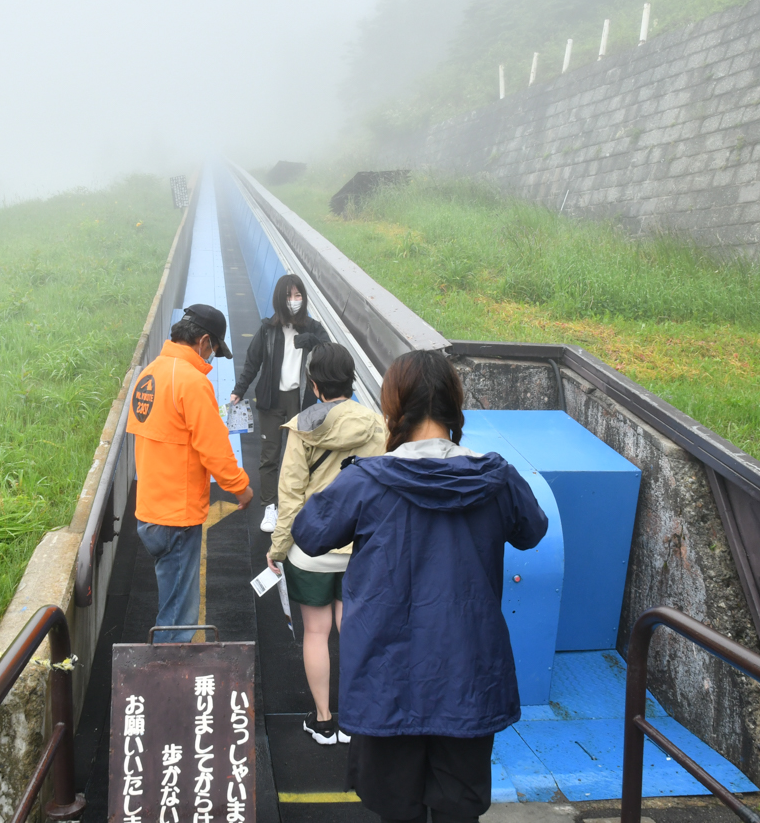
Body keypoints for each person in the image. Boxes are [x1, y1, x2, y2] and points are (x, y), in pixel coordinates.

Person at [291, 350, 549, 823]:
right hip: (468, 675)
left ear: (394, 407)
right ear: (454, 405)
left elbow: (309, 533)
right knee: (458, 812)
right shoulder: (495, 478)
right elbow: (533, 529)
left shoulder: (366, 482)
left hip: (388, 676)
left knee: (395, 810)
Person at [266, 343, 387, 746]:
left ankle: (323, 720)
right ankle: (356, 719)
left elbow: (291, 496)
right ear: (351, 381)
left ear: (315, 385)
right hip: (362, 550)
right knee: (352, 631)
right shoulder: (378, 425)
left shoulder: (303, 426)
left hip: (312, 551)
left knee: (316, 633)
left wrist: (278, 548)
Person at [126, 304, 253, 643]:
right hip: (176, 517)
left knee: (169, 605)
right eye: (212, 349)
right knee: (178, 620)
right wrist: (240, 488)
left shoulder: (150, 373)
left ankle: (161, 677)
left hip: (149, 511)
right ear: (204, 341)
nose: (211, 357)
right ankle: (165, 686)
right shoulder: (191, 382)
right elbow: (214, 448)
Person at [229, 274, 330, 536]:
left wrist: (315, 342)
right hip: (271, 400)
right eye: (288, 296)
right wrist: (238, 391)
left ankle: (295, 507)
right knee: (270, 455)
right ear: (279, 299)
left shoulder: (314, 327)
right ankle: (270, 506)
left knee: (300, 456)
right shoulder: (267, 329)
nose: (294, 301)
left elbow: (331, 355)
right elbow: (253, 361)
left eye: (298, 296)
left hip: (302, 399)